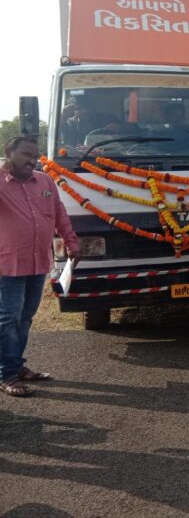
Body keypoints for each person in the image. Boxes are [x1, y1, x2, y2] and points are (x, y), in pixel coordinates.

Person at [0, 137, 80, 397]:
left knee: (24, 318)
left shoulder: (44, 181)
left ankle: (17, 366)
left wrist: (71, 242)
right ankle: (6, 375)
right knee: (8, 319)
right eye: (25, 154)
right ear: (8, 153)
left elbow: (59, 213)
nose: (32, 160)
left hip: (37, 263)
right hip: (7, 265)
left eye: (35, 155)